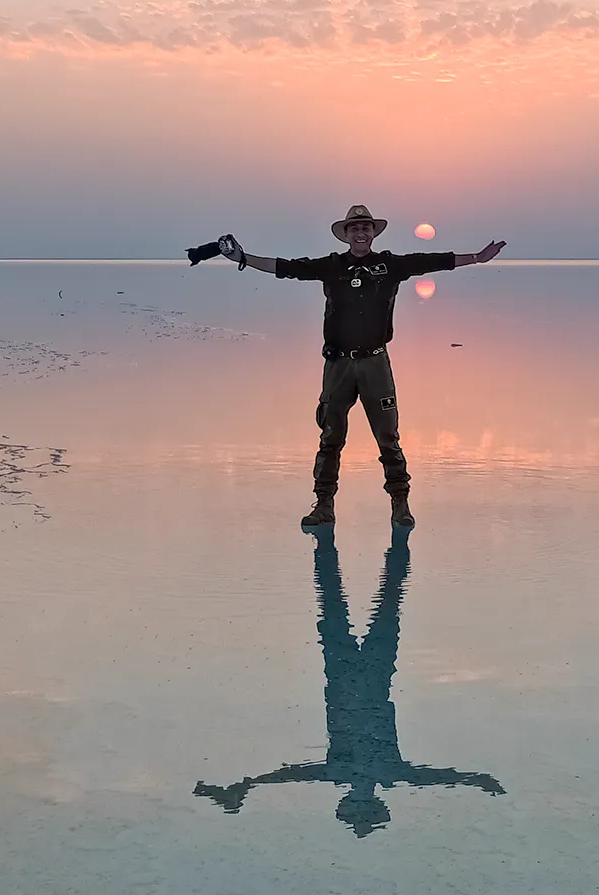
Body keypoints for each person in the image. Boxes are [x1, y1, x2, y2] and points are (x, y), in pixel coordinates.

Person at [197, 205, 505, 526]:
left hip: (375, 364)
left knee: (388, 437)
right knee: (330, 437)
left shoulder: (390, 265)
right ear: (345, 235)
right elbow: (286, 268)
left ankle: (400, 504)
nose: (361, 233)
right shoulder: (331, 266)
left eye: (366, 228)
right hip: (338, 365)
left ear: (373, 233)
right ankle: (324, 505)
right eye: (354, 228)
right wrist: (244, 259)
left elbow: (434, 261)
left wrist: (477, 258)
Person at [193, 530, 504, 836]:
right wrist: (472, 780)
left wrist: (252, 784)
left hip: (351, 675)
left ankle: (348, 538)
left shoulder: (358, 773)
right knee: (362, 598)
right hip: (361, 675)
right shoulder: (374, 773)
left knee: (367, 598)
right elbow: (429, 778)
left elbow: (294, 775)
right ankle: (368, 538)